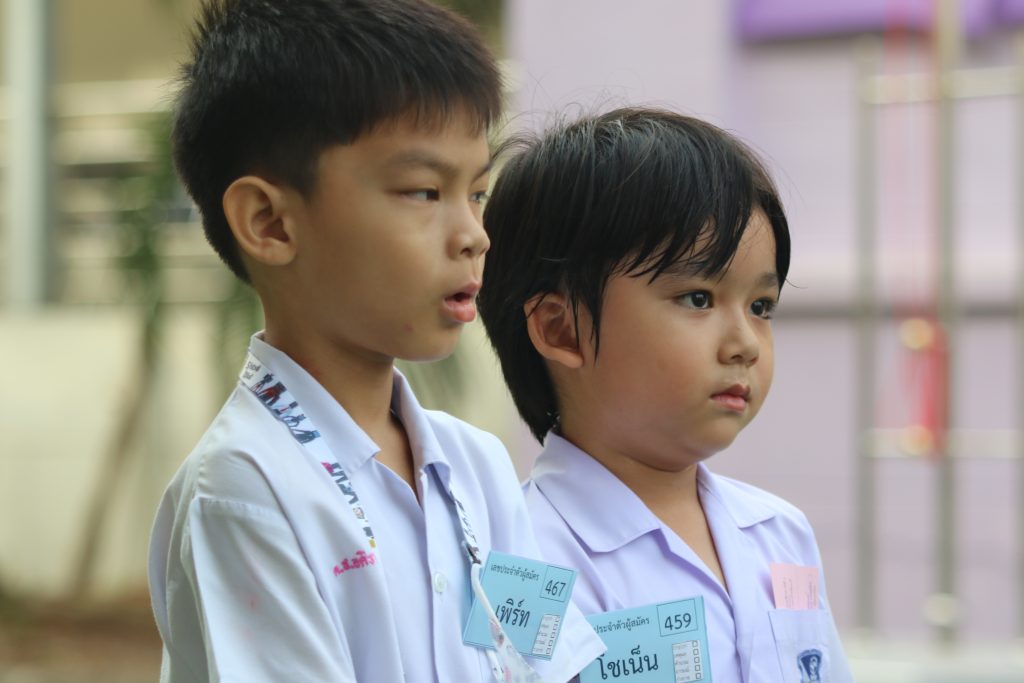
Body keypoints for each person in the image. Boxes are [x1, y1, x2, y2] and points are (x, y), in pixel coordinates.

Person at [147, 1, 603, 681]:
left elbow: (548, 659)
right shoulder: (244, 487)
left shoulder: (477, 466)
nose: (473, 234)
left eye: (477, 193)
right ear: (270, 222)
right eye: (424, 192)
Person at [478, 107, 854, 682]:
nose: (745, 344)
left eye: (761, 306)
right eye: (698, 299)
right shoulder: (520, 566)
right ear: (561, 329)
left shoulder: (780, 532)